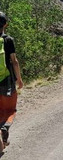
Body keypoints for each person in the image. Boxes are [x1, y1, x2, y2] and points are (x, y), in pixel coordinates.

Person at [0, 12, 23, 152]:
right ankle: (4, 130)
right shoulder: (8, 40)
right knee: (9, 110)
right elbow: (14, 62)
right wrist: (19, 79)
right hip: (7, 83)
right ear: (5, 25)